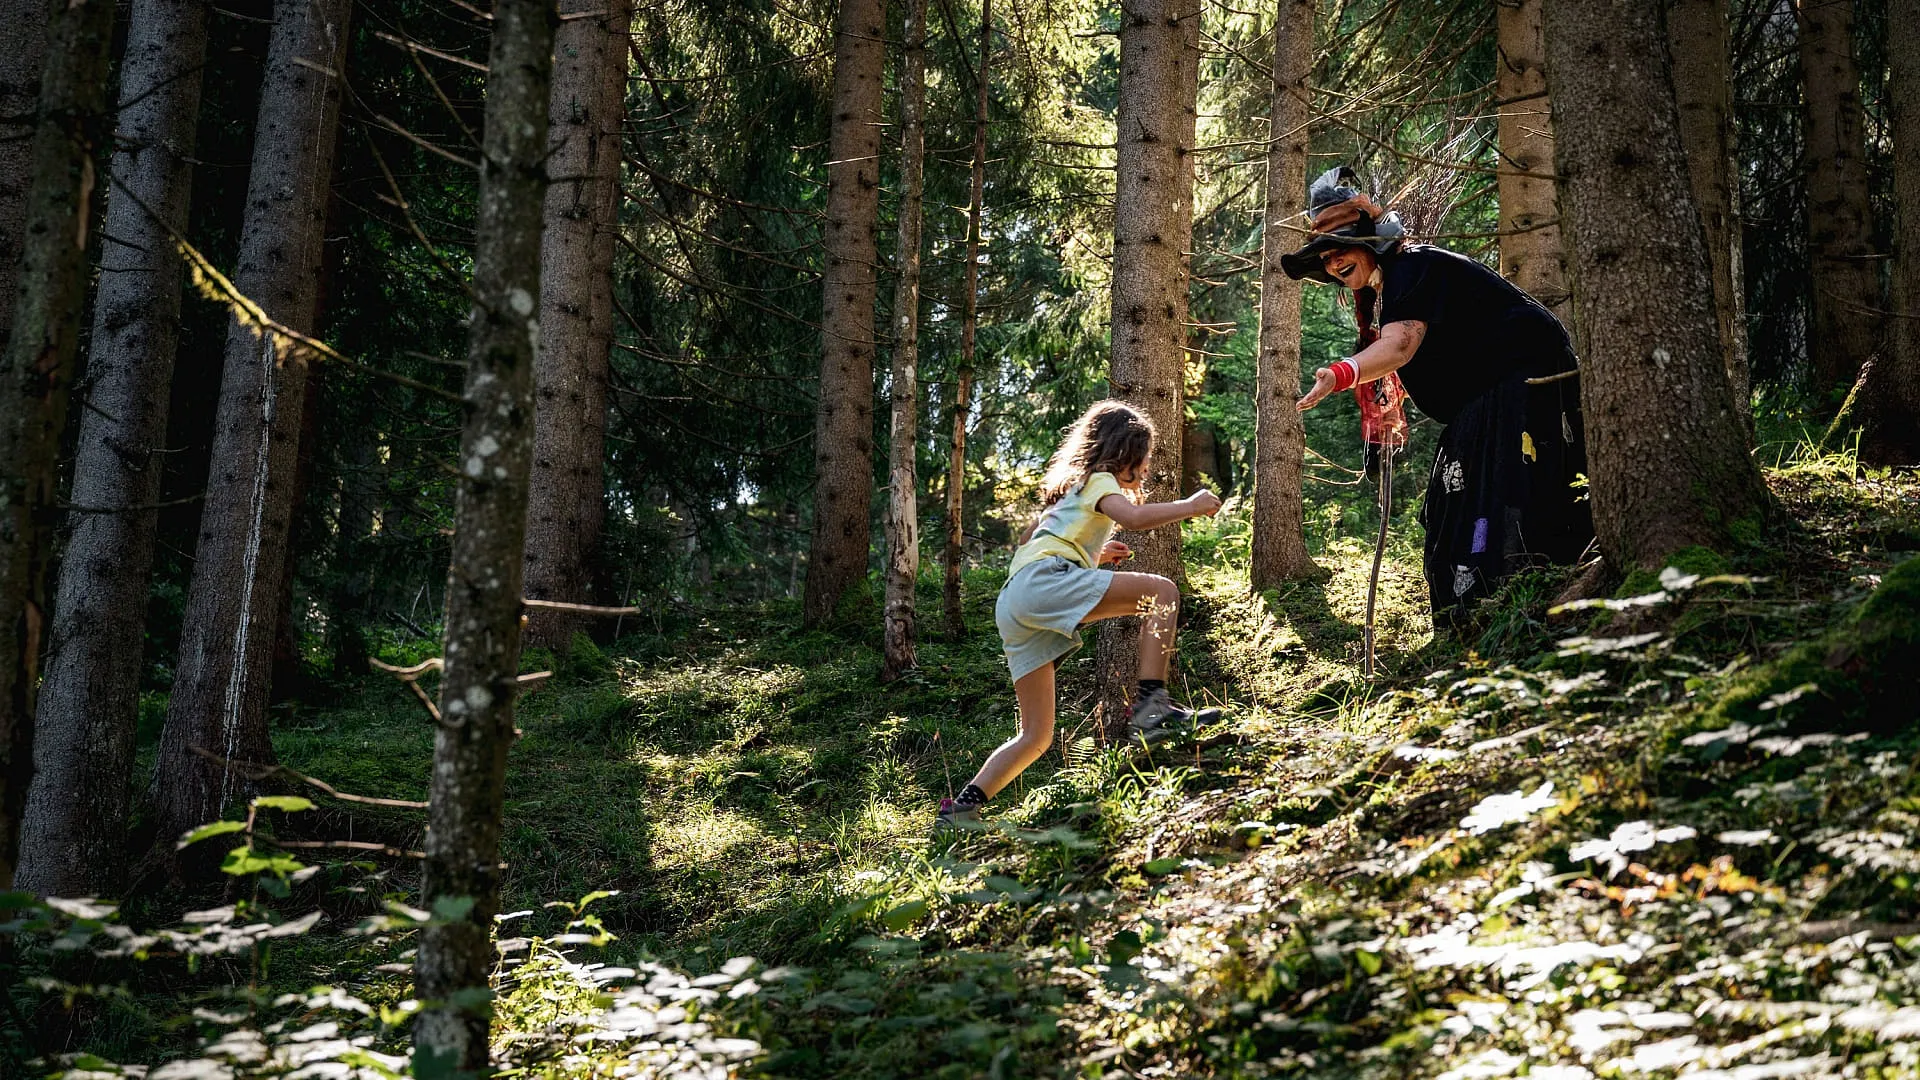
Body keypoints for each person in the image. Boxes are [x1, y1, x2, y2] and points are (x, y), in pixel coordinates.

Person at [1284, 166, 1593, 625]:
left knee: (1501, 497)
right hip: (1485, 402)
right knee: (1456, 506)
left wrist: (1341, 374)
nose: (1332, 263)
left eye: (1341, 249)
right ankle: (1480, 618)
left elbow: (1400, 346)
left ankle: (1514, 610)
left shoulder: (1411, 267)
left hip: (1517, 388)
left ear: (1371, 243)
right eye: (1324, 257)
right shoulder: (1392, 286)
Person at [937, 401, 1223, 828]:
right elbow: (1136, 518)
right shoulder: (1101, 479)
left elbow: (1033, 539)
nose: (1145, 470)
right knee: (1163, 593)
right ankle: (1151, 707)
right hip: (1043, 583)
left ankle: (961, 809)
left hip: (1015, 601)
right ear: (1124, 451)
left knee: (1037, 736)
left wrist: (1092, 554)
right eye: (1143, 459)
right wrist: (1193, 504)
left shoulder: (1068, 491)